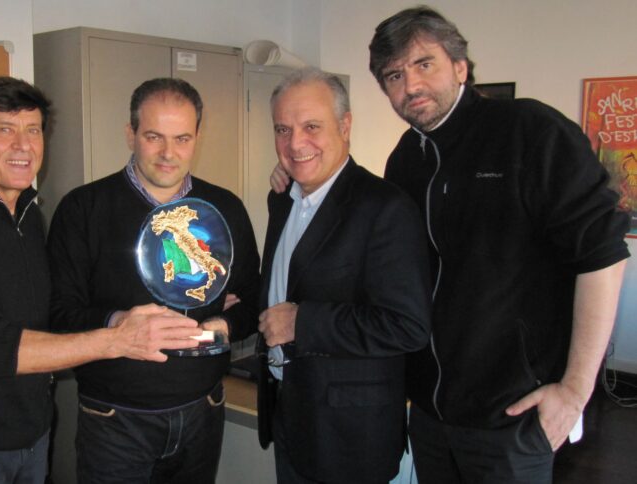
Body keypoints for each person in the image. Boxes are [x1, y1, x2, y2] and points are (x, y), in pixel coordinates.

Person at [272, 6, 630, 483]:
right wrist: (298, 173)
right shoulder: (407, 158)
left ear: (460, 66)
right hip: (430, 415)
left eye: (425, 64)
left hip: (512, 414)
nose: (411, 86)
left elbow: (603, 255)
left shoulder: (530, 131)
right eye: (394, 76)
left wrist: (575, 390)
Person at [0, 76, 202, 484]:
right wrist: (118, 339)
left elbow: (51, 313)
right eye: (5, 130)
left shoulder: (27, 216)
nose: (24, 145)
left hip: (31, 435)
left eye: (34, 130)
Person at [47, 77, 260, 484]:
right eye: (153, 137)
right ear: (130, 134)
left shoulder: (225, 209)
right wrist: (118, 324)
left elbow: (253, 298)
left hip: (203, 411)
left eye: (182, 138)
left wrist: (224, 325)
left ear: (197, 138)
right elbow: (58, 314)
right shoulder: (83, 209)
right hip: (115, 419)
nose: (168, 153)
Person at [257, 68, 432, 484]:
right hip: (290, 415)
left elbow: (407, 326)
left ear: (345, 125)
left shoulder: (384, 207)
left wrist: (302, 322)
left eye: (311, 126)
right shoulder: (283, 199)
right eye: (283, 129)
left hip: (349, 438)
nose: (295, 143)